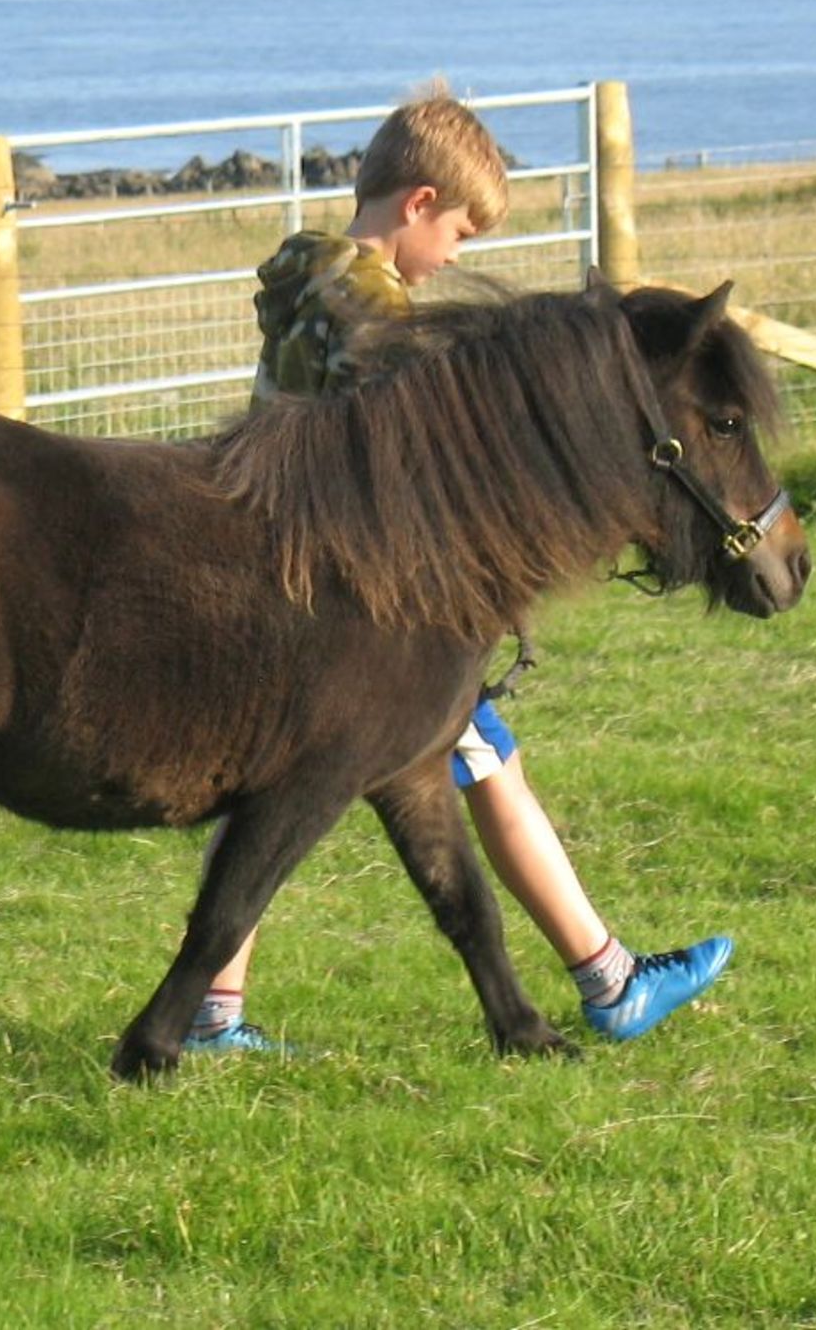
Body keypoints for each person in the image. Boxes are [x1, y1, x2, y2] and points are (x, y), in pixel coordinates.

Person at [183, 88, 732, 1054]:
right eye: (463, 233)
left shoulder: (307, 278)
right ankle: (610, 981)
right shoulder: (370, 308)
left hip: (293, 579)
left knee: (274, 798)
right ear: (419, 202)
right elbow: (403, 469)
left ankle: (214, 1009)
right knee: (490, 770)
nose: (458, 258)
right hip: (370, 615)